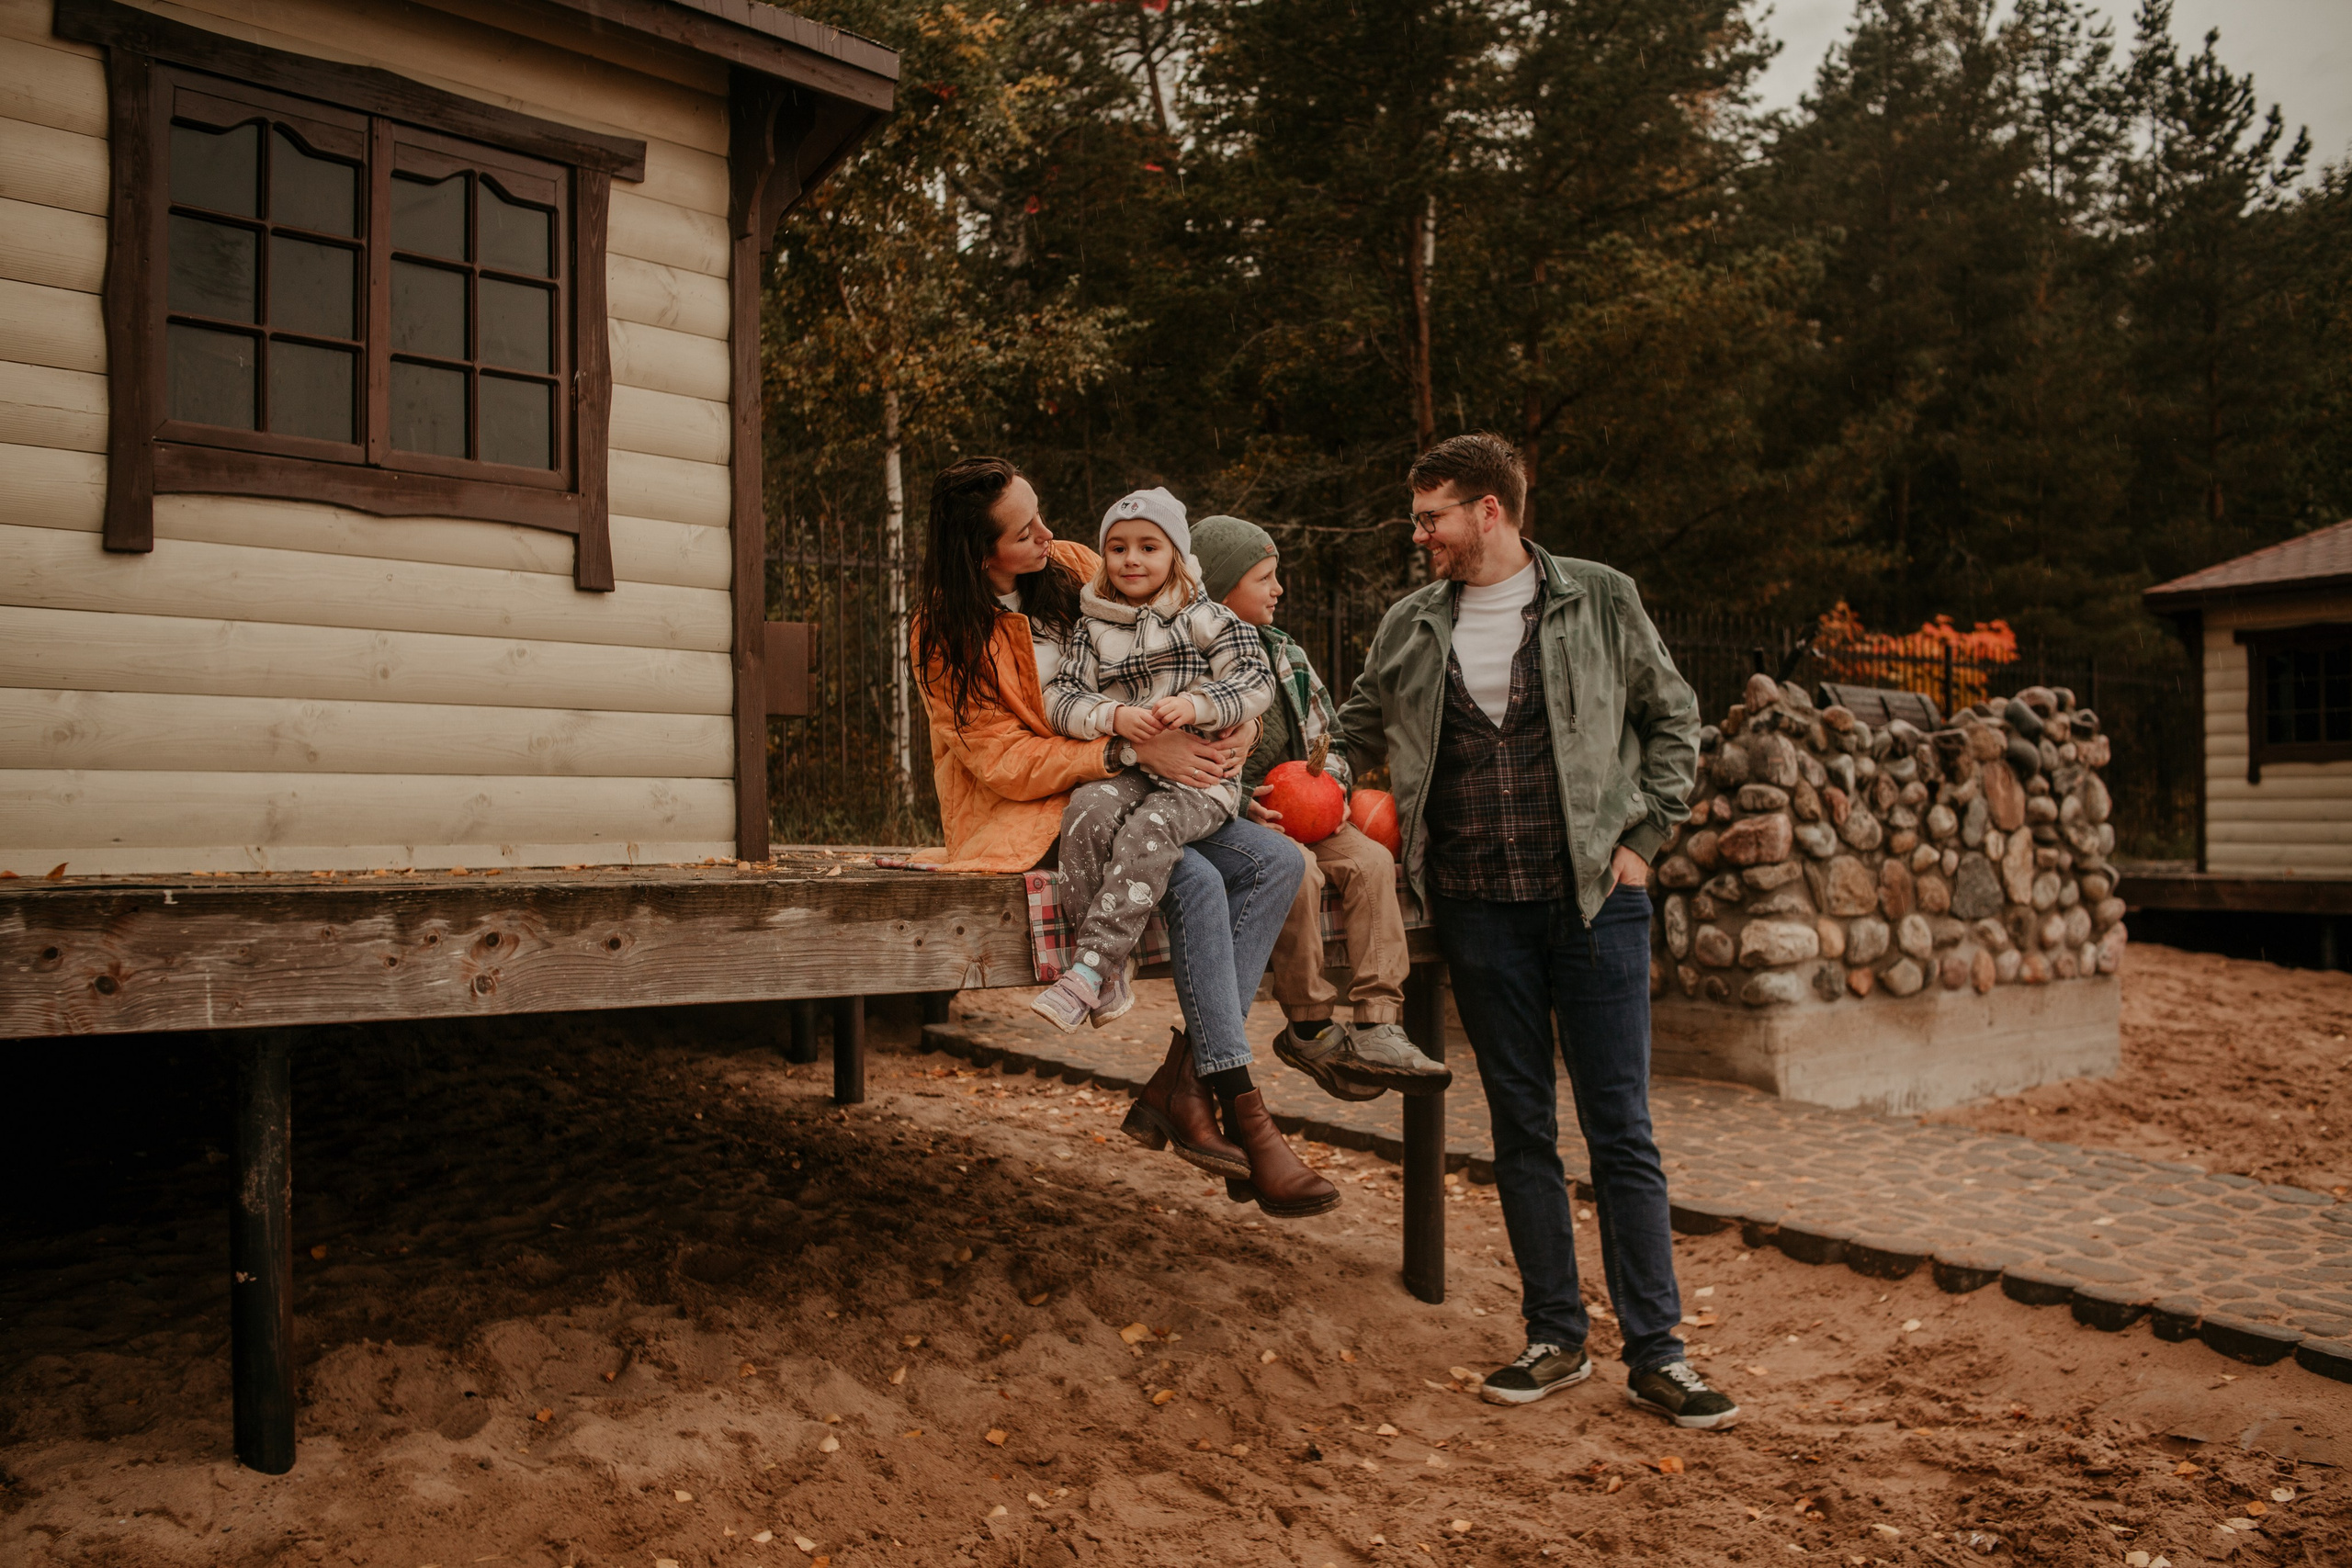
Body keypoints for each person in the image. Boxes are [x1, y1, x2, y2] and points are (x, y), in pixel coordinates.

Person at [1328, 433, 1738, 1430]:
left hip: (1596, 903)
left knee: (1620, 1132)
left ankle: (1659, 1353)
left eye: (1433, 516)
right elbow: (1355, 720)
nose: (1420, 534)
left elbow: (1674, 719)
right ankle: (1555, 1335)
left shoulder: (1600, 597)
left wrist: (1642, 835)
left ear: (1490, 512)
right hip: (1474, 911)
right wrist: (1328, 779)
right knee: (1519, 1127)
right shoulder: (1412, 624)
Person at [910, 457, 1336, 1219]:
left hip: (1151, 783)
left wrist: (1236, 726)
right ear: (982, 554)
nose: (1050, 533)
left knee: (1276, 860)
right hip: (1041, 808)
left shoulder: (1077, 568)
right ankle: (1244, 1107)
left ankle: (1184, 1080)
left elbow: (1203, 639)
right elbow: (1001, 760)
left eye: (1041, 513)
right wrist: (1129, 749)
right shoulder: (944, 634)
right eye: (1026, 530)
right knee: (1199, 881)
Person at [1189, 513, 1449, 1102]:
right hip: (1241, 816)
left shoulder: (1287, 655)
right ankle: (1307, 1020)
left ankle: (1380, 1019)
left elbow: (1326, 737)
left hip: (1308, 808)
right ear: (1224, 589)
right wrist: (1238, 802)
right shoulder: (1193, 661)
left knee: (1372, 863)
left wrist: (1327, 788)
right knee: (1297, 874)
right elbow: (1187, 758)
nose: (1279, 590)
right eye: (1265, 579)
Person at [1032, 489, 1276, 1034]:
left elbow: (1255, 679)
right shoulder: (1093, 627)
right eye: (1117, 548)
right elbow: (1059, 699)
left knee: (1152, 828)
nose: (1132, 559)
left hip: (1200, 778)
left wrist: (1199, 704)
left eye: (1149, 546)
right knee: (1087, 809)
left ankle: (1089, 969)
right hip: (1130, 768)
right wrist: (1113, 717)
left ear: (1176, 556)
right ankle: (1111, 972)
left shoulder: (1207, 618)